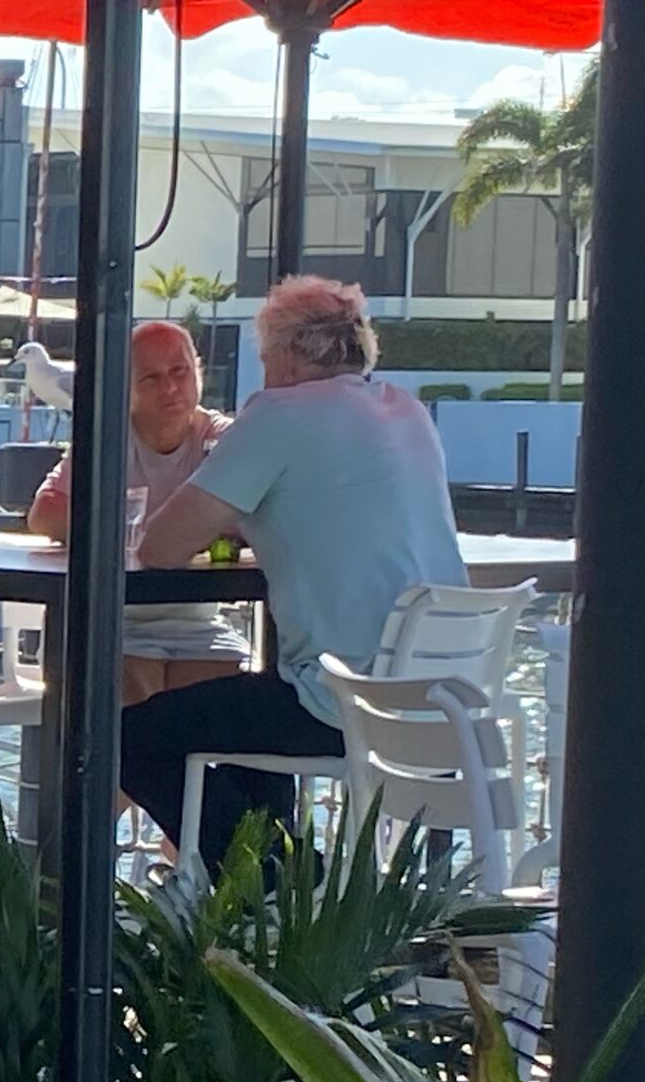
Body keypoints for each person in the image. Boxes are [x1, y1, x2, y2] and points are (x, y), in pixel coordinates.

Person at [123, 274, 466, 869]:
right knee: (246, 721)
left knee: (134, 737)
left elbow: (160, 547)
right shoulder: (406, 410)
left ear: (282, 356)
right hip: (442, 703)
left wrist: (243, 515)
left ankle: (280, 883)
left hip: (345, 703)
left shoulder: (278, 414)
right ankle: (274, 895)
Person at [28, 318, 248, 703]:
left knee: (222, 704)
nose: (170, 387)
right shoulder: (107, 439)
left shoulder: (221, 439)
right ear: (127, 389)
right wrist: (165, 534)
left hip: (196, 621)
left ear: (197, 372)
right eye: (151, 378)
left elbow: (254, 515)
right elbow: (45, 512)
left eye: (179, 371)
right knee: (137, 706)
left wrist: (137, 530)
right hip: (117, 618)